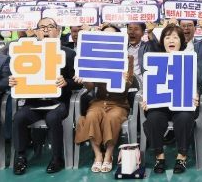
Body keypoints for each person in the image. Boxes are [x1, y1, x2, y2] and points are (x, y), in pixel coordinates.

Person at [10, 18, 79, 175]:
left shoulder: (68, 54)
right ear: (36, 32)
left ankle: (57, 158)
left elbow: (78, 83)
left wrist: (66, 82)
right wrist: (13, 81)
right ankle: (20, 157)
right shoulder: (27, 52)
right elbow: (18, 77)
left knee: (53, 118)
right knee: (19, 117)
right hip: (33, 103)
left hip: (58, 102)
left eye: (50, 27)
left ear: (58, 31)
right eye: (42, 27)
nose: (46, 30)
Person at [74, 24, 134, 173]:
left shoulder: (127, 59)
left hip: (119, 103)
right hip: (99, 101)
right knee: (91, 116)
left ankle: (108, 155)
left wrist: (125, 79)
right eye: (105, 35)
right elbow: (90, 86)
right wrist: (83, 80)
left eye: (112, 36)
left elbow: (128, 86)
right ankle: (98, 155)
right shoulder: (94, 57)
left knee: (111, 118)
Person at [142, 24, 200, 174]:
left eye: (175, 37)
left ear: (182, 42)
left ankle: (182, 156)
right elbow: (148, 84)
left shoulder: (189, 60)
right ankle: (159, 156)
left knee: (184, 118)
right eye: (167, 37)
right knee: (153, 119)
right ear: (162, 42)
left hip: (182, 104)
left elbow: (198, 83)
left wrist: (196, 94)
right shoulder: (155, 60)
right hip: (160, 105)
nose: (171, 40)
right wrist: (146, 98)